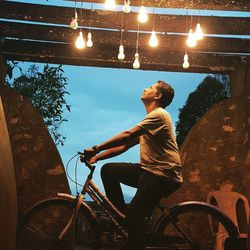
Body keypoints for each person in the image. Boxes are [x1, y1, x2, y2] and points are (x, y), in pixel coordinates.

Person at [83, 80, 183, 250]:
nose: (145, 88)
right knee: (109, 171)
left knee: (134, 217)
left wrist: (95, 148)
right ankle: (123, 218)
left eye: (150, 88)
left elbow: (127, 134)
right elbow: (124, 145)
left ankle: (130, 223)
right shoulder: (150, 121)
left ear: (157, 96)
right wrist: (98, 157)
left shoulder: (159, 114)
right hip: (148, 170)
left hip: (161, 174)